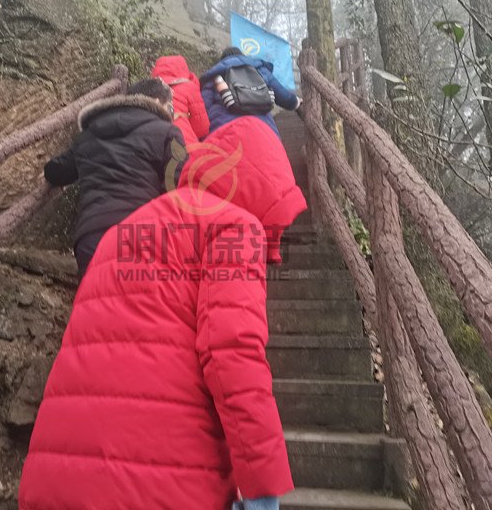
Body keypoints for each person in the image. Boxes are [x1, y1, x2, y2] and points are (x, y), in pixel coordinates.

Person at [19, 114, 307, 510]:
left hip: (56, 479)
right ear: (266, 188)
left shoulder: (126, 229)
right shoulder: (234, 228)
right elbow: (233, 355)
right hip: (160, 483)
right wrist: (262, 486)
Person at [43, 78, 185, 277]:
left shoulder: (89, 133)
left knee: (93, 294)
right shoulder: (168, 133)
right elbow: (175, 187)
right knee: (138, 295)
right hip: (142, 232)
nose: (171, 113)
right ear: (156, 101)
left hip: (92, 234)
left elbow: (57, 171)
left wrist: (48, 171)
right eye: (170, 106)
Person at [200, 47, 301, 138]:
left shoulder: (214, 76)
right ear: (243, 56)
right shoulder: (260, 70)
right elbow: (284, 97)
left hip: (225, 131)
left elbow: (203, 109)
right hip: (265, 132)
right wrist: (296, 102)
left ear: (222, 61)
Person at [151, 55, 210, 146]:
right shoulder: (189, 87)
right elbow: (202, 128)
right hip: (182, 139)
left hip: (151, 140)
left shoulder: (148, 87)